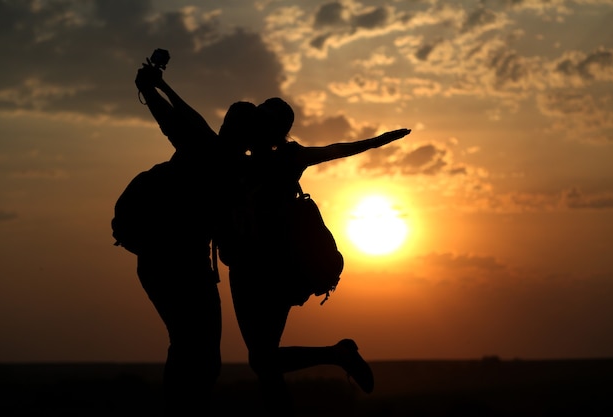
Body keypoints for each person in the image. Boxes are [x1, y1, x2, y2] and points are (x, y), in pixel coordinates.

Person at [224, 96, 411, 416]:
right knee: (263, 360)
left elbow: (335, 149)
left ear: (276, 131)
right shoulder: (235, 161)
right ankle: (337, 355)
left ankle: (336, 355)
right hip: (245, 267)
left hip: (274, 270)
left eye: (267, 122)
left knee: (263, 360)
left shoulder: (286, 158)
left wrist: (377, 141)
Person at [131, 62, 255, 416]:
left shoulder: (204, 146)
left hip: (164, 262)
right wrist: (157, 88)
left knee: (191, 350)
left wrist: (157, 87)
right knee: (196, 354)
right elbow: (182, 120)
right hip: (178, 265)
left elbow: (183, 119)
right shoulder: (217, 158)